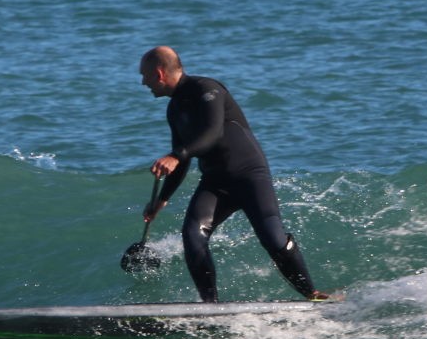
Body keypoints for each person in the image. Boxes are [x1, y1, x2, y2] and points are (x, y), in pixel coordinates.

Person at [138, 46, 332, 303]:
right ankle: (211, 306)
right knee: (193, 235)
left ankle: (312, 294)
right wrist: (161, 200)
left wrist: (176, 155)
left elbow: (212, 133)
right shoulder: (174, 110)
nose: (143, 83)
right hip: (215, 183)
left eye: (145, 76)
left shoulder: (207, 89)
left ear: (159, 74)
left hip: (249, 175)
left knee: (274, 240)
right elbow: (182, 159)